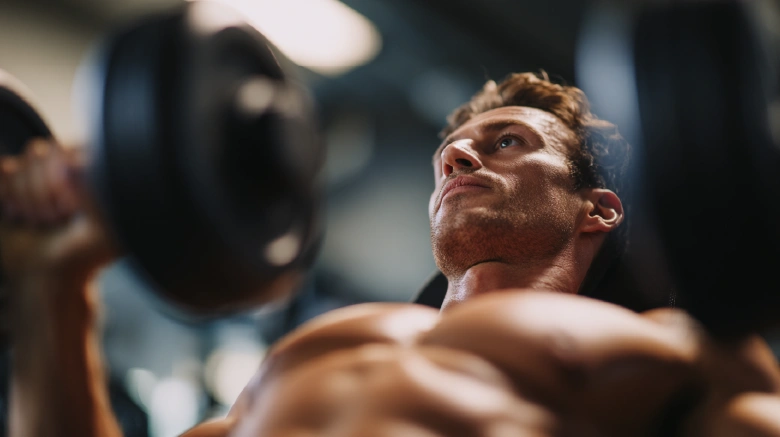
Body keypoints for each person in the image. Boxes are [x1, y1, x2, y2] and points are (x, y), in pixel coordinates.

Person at [1, 72, 779, 436]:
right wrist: (58, 282)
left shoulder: (659, 347)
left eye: (506, 142)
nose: (458, 160)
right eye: (451, 150)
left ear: (599, 208)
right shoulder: (312, 353)